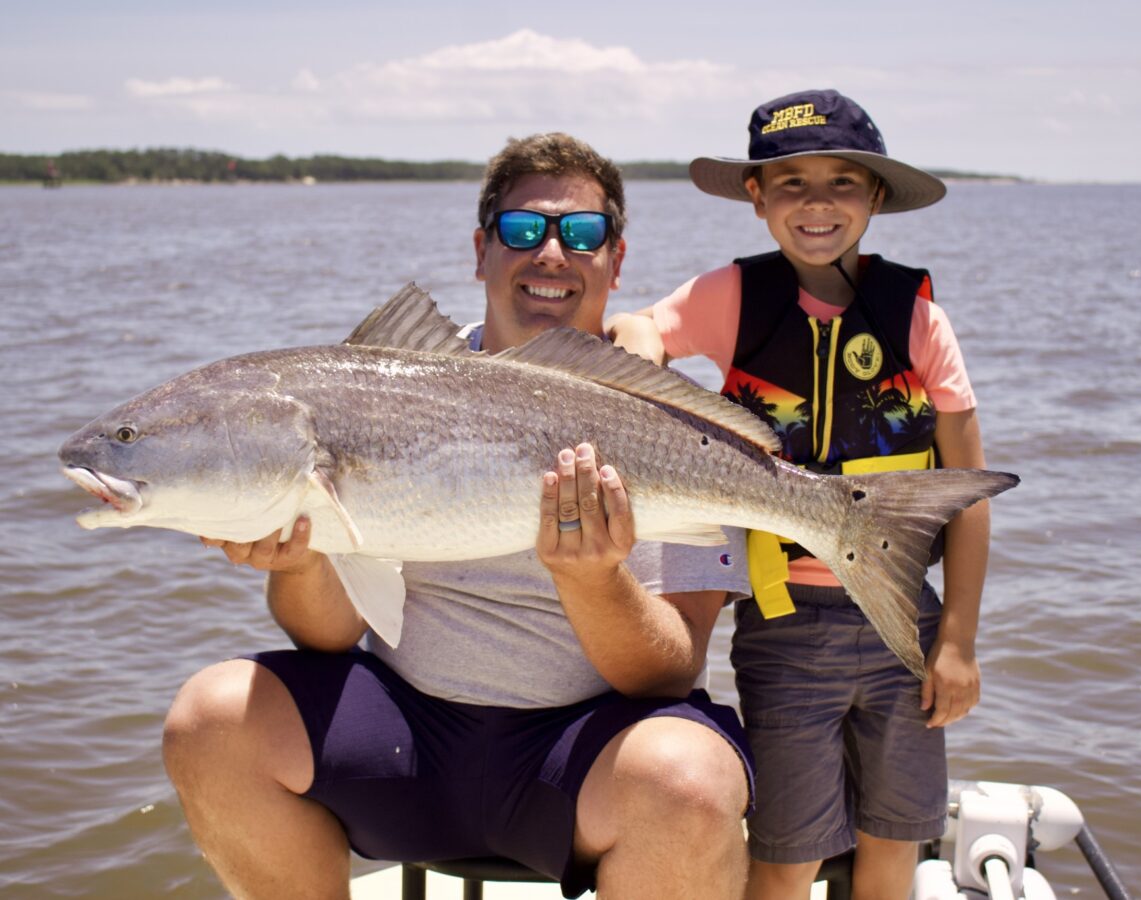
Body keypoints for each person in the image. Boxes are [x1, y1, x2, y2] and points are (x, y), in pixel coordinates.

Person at [162, 133, 755, 900]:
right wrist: (306, 557)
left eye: (581, 233)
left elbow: (672, 670)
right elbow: (328, 637)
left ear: (616, 258)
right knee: (209, 720)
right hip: (404, 739)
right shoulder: (377, 388)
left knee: (692, 782)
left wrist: (591, 580)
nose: (550, 252)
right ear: (481, 250)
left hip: (581, 757)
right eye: (520, 230)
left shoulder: (673, 420)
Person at [607, 90, 995, 900]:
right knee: (787, 855)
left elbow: (968, 491)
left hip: (906, 627)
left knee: (895, 842)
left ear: (876, 197)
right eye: (790, 183)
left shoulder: (918, 317)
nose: (817, 205)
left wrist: (956, 640)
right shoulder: (735, 297)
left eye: (842, 183)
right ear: (757, 198)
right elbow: (644, 326)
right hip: (785, 629)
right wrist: (644, 348)